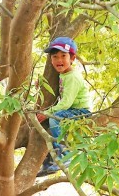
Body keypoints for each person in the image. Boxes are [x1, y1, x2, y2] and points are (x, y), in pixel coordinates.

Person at [36, 37, 91, 177]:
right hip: (71, 110)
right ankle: (49, 161)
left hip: (80, 112)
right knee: (48, 127)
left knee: (54, 119)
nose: (59, 60)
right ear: (51, 59)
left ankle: (66, 155)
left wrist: (47, 113)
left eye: (63, 56)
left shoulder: (73, 77)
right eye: (55, 57)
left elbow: (66, 103)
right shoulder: (63, 74)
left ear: (72, 58)